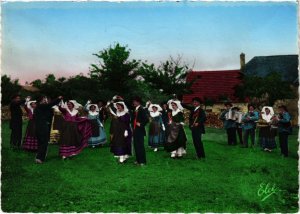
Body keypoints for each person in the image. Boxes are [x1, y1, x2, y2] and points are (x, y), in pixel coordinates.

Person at [35, 95, 63, 163]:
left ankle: (38, 157)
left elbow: (49, 109)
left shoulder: (41, 107)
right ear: (40, 100)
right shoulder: (41, 106)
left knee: (41, 142)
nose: (45, 100)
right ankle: (40, 158)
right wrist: (58, 98)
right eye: (44, 99)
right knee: (44, 142)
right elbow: (50, 104)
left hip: (40, 126)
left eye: (45, 99)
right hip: (42, 126)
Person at [132, 96, 149, 166]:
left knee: (140, 146)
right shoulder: (135, 109)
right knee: (136, 145)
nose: (133, 102)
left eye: (135, 101)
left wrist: (141, 124)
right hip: (135, 129)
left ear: (138, 102)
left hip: (140, 130)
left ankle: (142, 161)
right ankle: (138, 160)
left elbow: (146, 119)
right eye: (133, 101)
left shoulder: (142, 109)